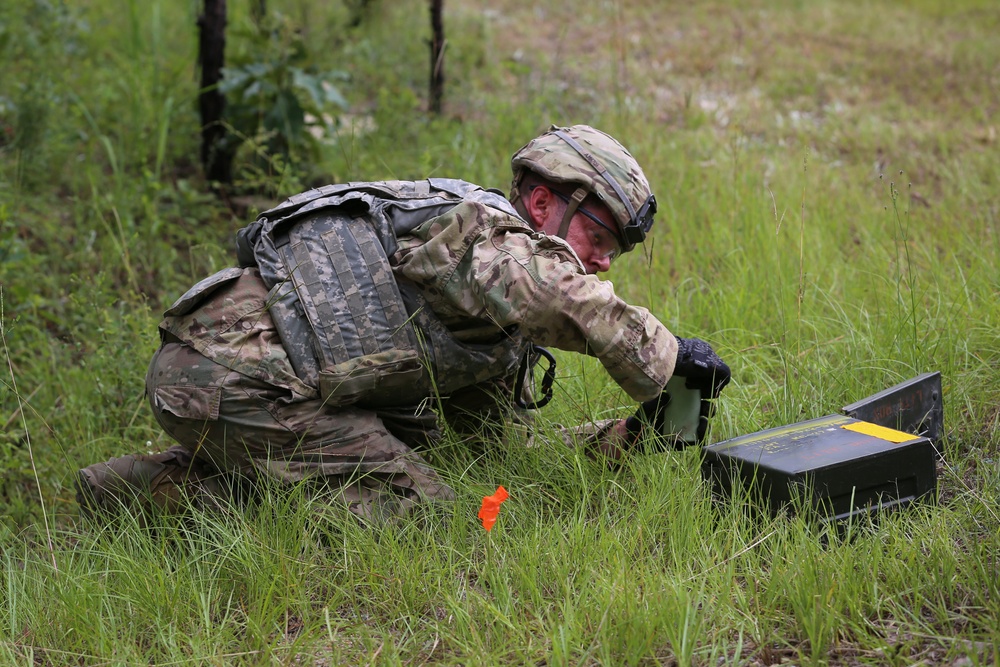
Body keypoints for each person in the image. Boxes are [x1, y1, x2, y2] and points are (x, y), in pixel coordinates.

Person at [75, 124, 731, 523]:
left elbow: (495, 456)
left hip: (262, 379)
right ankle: (159, 494)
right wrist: (670, 361)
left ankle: (128, 487)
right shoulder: (482, 239)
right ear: (541, 202)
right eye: (597, 235)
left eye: (615, 250)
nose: (604, 260)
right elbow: (568, 300)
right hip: (228, 371)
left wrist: (628, 434)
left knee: (465, 487)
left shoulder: (495, 305)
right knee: (429, 516)